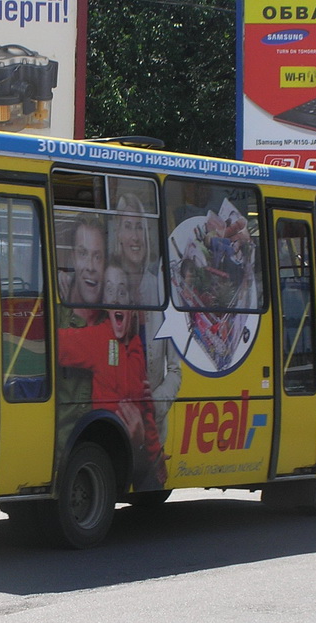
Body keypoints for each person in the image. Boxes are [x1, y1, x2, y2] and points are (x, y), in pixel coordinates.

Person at [57, 260, 167, 488]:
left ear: (130, 301)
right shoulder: (99, 338)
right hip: (108, 444)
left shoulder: (137, 348)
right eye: (109, 290)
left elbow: (147, 412)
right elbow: (56, 344)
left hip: (138, 454)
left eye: (122, 291)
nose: (116, 298)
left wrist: (157, 458)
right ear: (105, 304)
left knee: (151, 486)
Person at [113, 194, 181, 474]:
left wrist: (155, 404)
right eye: (127, 226)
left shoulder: (161, 290)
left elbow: (175, 370)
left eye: (140, 226)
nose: (135, 235)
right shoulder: (109, 288)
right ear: (117, 233)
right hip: (115, 425)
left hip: (155, 435)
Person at [55, 213, 107, 445]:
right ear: (72, 259)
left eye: (98, 257)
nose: (90, 267)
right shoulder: (56, 315)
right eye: (83, 254)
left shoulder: (116, 321)